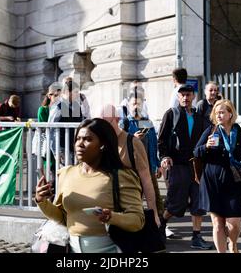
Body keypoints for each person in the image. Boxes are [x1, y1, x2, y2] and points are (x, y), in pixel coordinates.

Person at [34, 118, 144, 253]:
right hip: (72, 249)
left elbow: (137, 220)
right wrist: (41, 200)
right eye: (78, 139)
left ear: (103, 145)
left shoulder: (121, 176)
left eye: (87, 139)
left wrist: (112, 217)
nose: (80, 144)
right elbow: (63, 218)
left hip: (111, 249)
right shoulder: (66, 173)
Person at [193, 99, 241, 253]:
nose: (219, 115)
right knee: (217, 223)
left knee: (234, 223)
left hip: (233, 181)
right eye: (217, 113)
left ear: (231, 113)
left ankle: (233, 243)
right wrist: (206, 146)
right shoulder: (211, 131)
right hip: (212, 181)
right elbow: (196, 152)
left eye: (222, 112)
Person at [157, 84, 212, 250]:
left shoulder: (199, 116)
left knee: (198, 202)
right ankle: (161, 226)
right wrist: (165, 156)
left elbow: (206, 137)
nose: (185, 98)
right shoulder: (171, 114)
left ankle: (196, 237)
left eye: (188, 95)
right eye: (182, 95)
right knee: (176, 202)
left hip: (196, 165)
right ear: (178, 97)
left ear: (193, 96)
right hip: (178, 164)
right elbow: (162, 139)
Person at [97, 104, 161, 227]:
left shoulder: (145, 122)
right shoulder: (101, 141)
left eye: (139, 102)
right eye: (134, 103)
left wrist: (154, 213)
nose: (136, 106)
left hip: (130, 209)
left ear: (117, 119)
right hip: (105, 210)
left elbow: (153, 142)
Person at [48, 80, 86, 165]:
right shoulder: (58, 106)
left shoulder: (76, 106)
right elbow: (51, 128)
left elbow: (81, 123)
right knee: (65, 173)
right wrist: (55, 149)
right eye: (75, 92)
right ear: (67, 92)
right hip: (61, 147)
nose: (77, 94)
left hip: (74, 146)